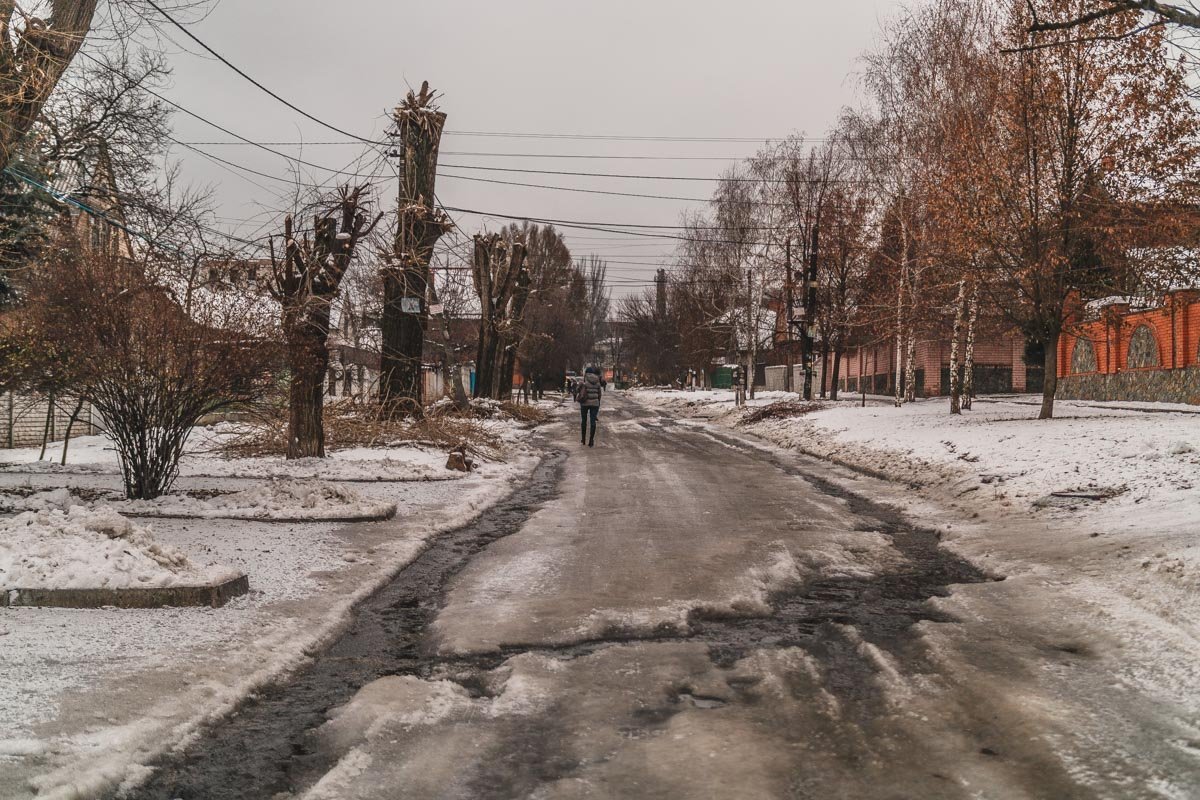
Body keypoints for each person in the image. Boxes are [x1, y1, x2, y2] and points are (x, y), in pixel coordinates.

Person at [576, 366, 603, 447]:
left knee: (584, 421)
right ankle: (591, 440)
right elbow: (599, 394)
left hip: (584, 404)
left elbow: (577, 390)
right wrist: (598, 403)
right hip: (595, 404)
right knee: (592, 422)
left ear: (586, 373)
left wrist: (579, 386)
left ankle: (583, 439)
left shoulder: (584, 382)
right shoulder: (597, 381)